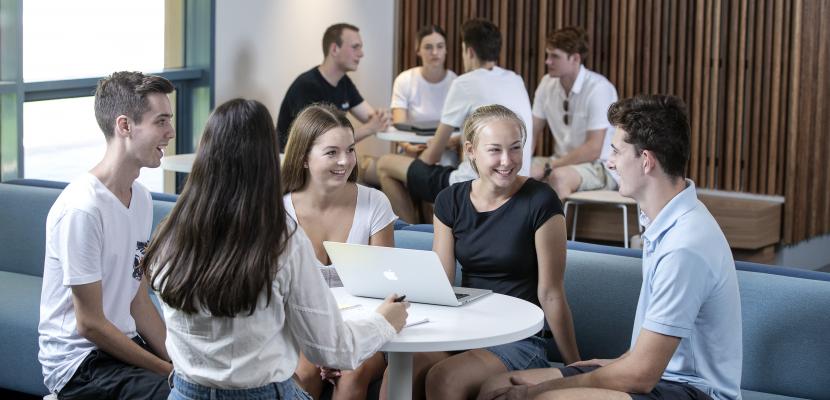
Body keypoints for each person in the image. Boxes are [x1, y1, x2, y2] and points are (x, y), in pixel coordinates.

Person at [478, 95, 742, 400]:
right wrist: (608, 366)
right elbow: (644, 359)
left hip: (693, 391)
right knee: (497, 386)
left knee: (541, 398)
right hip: (658, 377)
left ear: (646, 160)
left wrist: (543, 388)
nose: (610, 162)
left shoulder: (685, 245)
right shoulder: (663, 220)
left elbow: (643, 375)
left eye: (616, 151)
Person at [142, 98, 409, 400]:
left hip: (184, 392)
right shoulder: (279, 238)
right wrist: (384, 321)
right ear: (269, 159)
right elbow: (335, 349)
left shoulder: (170, 234)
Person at [395, 104, 580, 400]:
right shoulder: (449, 201)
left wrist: (575, 367)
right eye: (495, 150)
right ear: (471, 150)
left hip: (519, 338)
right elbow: (441, 281)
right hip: (465, 328)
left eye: (515, 148)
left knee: (445, 379)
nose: (507, 161)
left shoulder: (542, 201)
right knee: (403, 372)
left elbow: (551, 293)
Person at [37, 71, 175, 399]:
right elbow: (90, 324)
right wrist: (170, 373)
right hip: (80, 363)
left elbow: (138, 300)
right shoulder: (82, 208)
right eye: (161, 121)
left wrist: (181, 361)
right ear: (124, 126)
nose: (170, 132)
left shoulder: (140, 198)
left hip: (122, 345)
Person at [281, 103, 398, 399]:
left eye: (350, 149)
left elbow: (385, 289)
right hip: (299, 331)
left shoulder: (375, 203)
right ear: (304, 157)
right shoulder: (276, 210)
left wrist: (341, 348)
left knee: (352, 370)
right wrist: (322, 347)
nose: (345, 161)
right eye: (332, 152)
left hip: (364, 330)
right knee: (304, 371)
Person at [377, 19, 533, 224]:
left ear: (468, 51)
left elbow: (430, 158)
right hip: (516, 178)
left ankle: (409, 234)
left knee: (384, 165)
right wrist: (453, 142)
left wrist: (420, 164)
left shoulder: (463, 83)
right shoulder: (515, 79)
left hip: (470, 184)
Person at [530, 27, 619, 199]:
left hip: (600, 166)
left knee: (559, 177)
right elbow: (532, 131)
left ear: (575, 58)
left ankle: (556, 227)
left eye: (555, 56)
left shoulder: (598, 88)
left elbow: (593, 149)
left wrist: (548, 166)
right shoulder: (546, 84)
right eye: (548, 55)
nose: (547, 61)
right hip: (560, 161)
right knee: (507, 169)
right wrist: (522, 163)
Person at [277, 23, 390, 150]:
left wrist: (381, 117)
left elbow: (372, 117)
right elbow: (320, 142)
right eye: (355, 47)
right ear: (335, 49)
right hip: (296, 163)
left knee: (374, 165)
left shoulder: (344, 82)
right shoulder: (306, 86)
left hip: (326, 160)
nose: (361, 54)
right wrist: (369, 128)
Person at [390, 24, 458, 163]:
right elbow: (399, 126)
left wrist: (442, 145)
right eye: (428, 47)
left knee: (446, 164)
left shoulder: (455, 82)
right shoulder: (404, 80)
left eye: (440, 46)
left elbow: (460, 127)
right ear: (418, 51)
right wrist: (408, 147)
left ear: (446, 50)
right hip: (410, 148)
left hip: (444, 149)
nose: (434, 52)